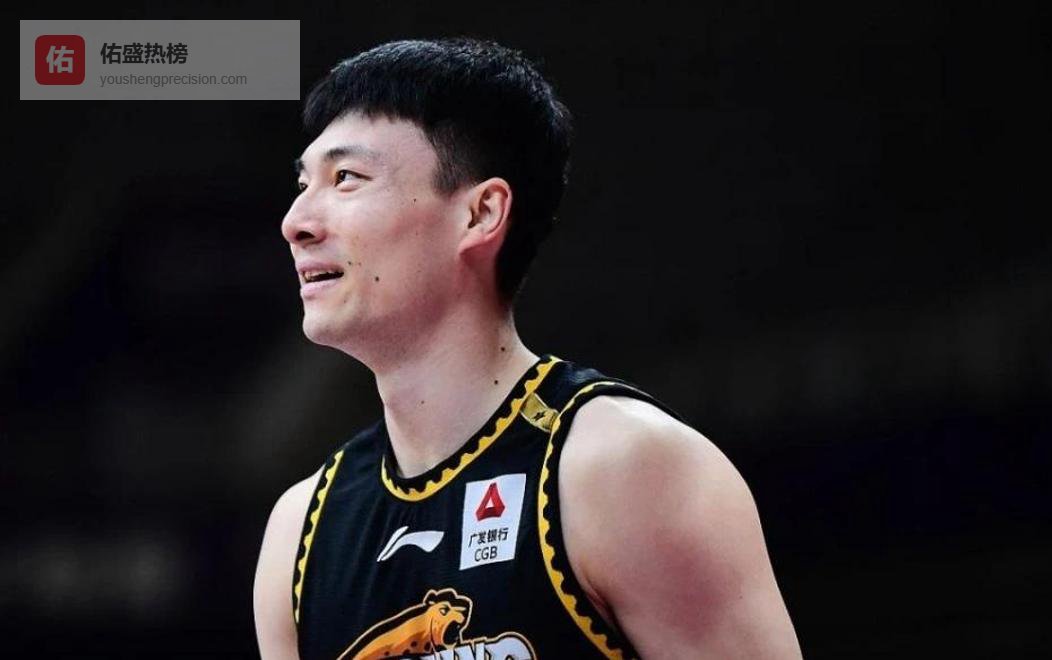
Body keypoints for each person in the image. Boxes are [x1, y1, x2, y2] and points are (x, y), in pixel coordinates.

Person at [254, 37, 802, 660]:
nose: (296, 221)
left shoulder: (627, 469)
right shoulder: (300, 532)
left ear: (481, 213)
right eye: (304, 183)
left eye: (346, 178)